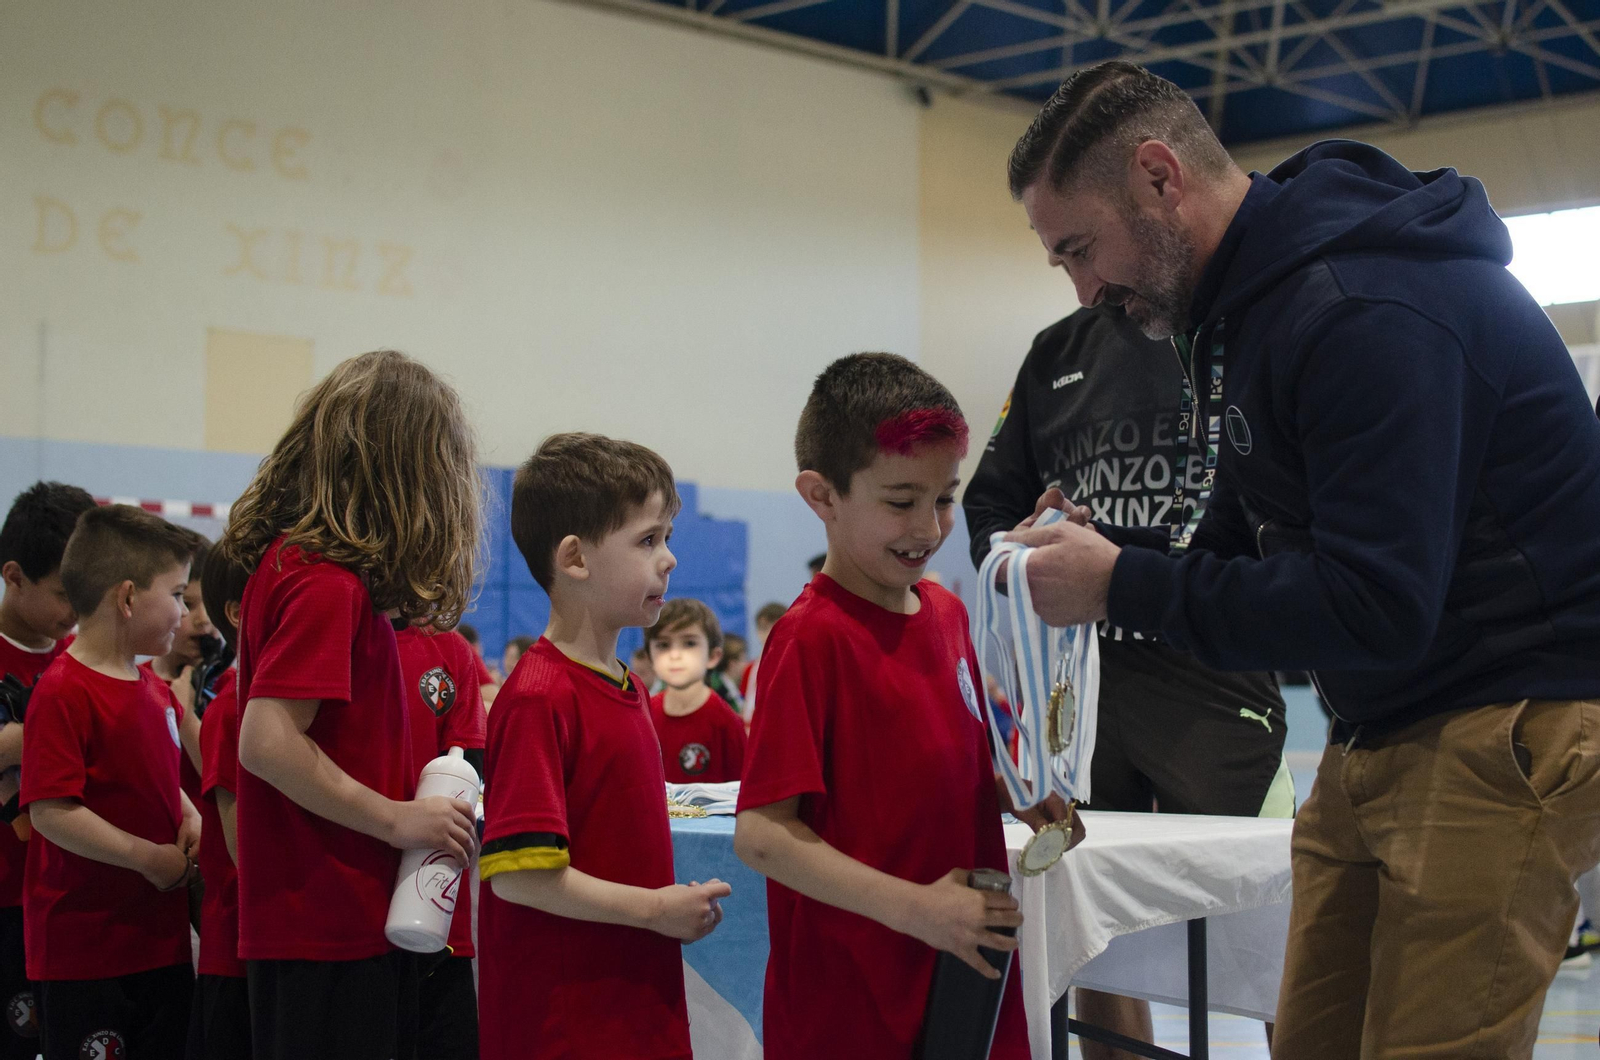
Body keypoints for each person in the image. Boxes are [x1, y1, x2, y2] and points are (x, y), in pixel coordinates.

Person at [1005, 60, 1600, 1058]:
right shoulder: (1245, 313)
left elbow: (1373, 599)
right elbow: (1243, 542)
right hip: (1385, 726)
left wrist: (1119, 582)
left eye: (1080, 249)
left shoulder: (1365, 307)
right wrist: (1110, 552)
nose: (1084, 289)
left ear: (1159, 177)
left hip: (1503, 719)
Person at [964, 303, 1293, 1055]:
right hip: (1075, 680)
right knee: (1087, 914)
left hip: (1213, 666)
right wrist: (1014, 547)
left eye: (1077, 245)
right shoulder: (1055, 353)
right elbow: (989, 504)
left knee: (1279, 903)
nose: (1074, 274)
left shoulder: (1232, 328)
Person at [734, 353, 1030, 1060]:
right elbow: (763, 835)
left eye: (946, 497)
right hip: (852, 1004)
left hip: (961, 979)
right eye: (901, 501)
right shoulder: (810, 639)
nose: (929, 527)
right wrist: (920, 910)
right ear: (822, 495)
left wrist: (1018, 794)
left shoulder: (950, 615)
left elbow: (929, 777)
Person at [218, 350, 481, 1060]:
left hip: (338, 919)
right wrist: (400, 818)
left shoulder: (307, 570)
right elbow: (266, 741)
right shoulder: (324, 583)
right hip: (323, 922)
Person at [477, 433, 729, 1060]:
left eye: (667, 538)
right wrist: (655, 910)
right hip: (568, 1022)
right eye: (648, 540)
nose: (668, 559)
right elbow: (522, 880)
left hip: (634, 1002)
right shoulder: (539, 698)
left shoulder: (629, 689)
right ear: (575, 558)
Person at [22, 504, 201, 1059]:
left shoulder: (151, 687)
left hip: (158, 944)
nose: (185, 613)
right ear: (127, 598)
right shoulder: (62, 691)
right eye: (176, 596)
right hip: (87, 952)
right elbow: (52, 811)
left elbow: (156, 773)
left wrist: (189, 812)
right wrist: (147, 857)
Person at [0, 481, 96, 1058]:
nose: (78, 610)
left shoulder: (85, 657)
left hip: (68, 906)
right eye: (65, 594)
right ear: (13, 576)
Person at [394, 622, 488, 1060]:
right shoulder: (336, 637)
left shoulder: (450, 652)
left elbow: (466, 775)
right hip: (342, 928)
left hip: (436, 926)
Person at [187, 544, 252, 1060]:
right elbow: (240, 849)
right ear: (239, 611)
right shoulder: (232, 706)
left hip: (272, 948)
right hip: (236, 953)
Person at [646, 598, 746, 784]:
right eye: (663, 645)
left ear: (713, 657)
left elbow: (741, 791)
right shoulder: (645, 717)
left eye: (689, 643)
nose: (675, 655)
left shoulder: (727, 723)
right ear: (650, 657)